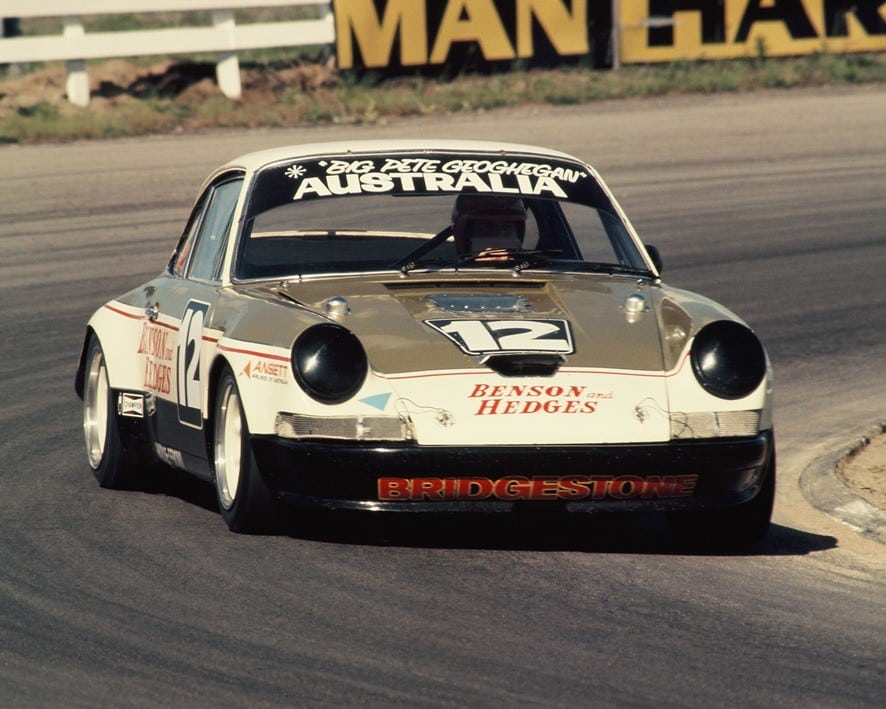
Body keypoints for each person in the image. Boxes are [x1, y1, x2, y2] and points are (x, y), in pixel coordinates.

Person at [451, 194, 527, 261]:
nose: (498, 236)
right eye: (487, 228)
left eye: (506, 228)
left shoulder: (533, 264)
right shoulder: (443, 268)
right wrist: (475, 264)